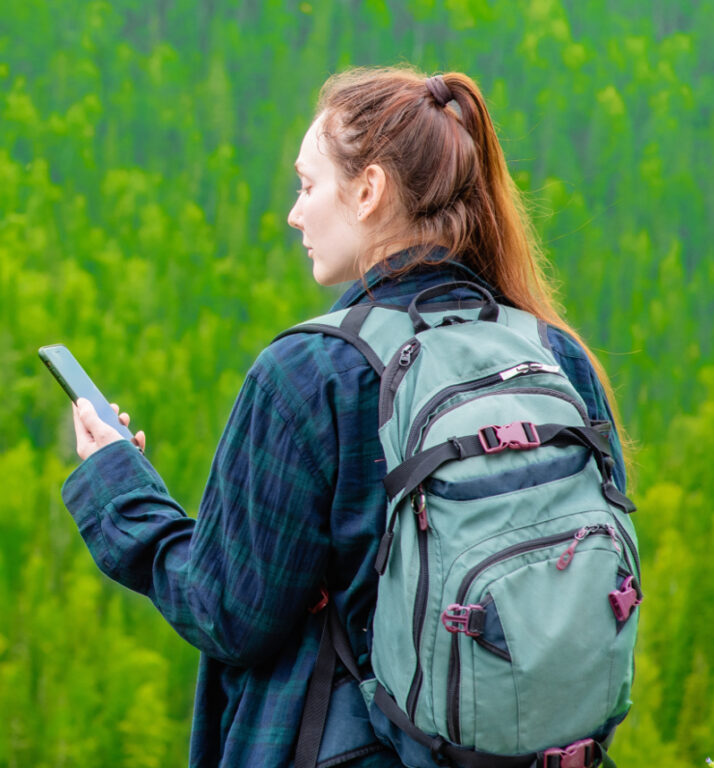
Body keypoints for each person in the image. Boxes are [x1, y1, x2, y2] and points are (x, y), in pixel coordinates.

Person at [64, 67, 628, 767]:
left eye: (308, 185)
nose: (296, 213)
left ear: (369, 191)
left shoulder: (308, 372)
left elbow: (228, 614)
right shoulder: (554, 353)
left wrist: (121, 494)